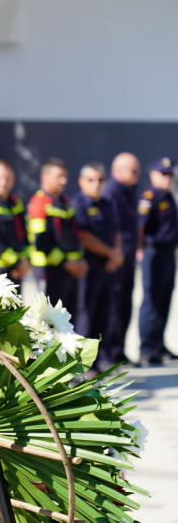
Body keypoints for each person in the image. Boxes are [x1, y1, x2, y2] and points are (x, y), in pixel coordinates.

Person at [71, 163, 122, 364]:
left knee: (105, 314)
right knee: (86, 316)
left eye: (101, 180)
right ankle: (82, 364)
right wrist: (112, 253)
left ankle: (98, 360)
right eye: (91, 180)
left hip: (108, 267)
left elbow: (116, 230)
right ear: (81, 182)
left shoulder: (108, 203)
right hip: (88, 269)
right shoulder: (78, 204)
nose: (97, 184)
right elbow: (84, 236)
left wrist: (116, 255)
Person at [28, 158, 87, 317]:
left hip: (69, 271)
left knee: (68, 319)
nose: (64, 181)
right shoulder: (40, 203)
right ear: (45, 177)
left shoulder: (65, 202)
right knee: (50, 320)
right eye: (59, 176)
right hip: (49, 271)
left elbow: (74, 235)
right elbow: (41, 242)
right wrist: (66, 263)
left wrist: (79, 261)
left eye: (65, 176)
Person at [136, 157, 178, 366]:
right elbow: (140, 226)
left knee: (164, 298)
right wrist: (140, 249)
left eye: (170, 174)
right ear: (153, 175)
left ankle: (159, 345)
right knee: (151, 298)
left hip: (168, 253)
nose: (168, 178)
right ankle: (147, 347)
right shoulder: (149, 197)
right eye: (163, 174)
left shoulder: (169, 196)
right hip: (153, 252)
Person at [101, 153, 141, 365]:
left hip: (128, 259)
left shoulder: (130, 192)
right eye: (132, 170)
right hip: (116, 259)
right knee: (113, 307)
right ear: (117, 171)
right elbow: (113, 228)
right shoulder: (111, 192)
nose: (137, 174)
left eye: (137, 170)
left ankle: (119, 350)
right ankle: (108, 353)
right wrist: (115, 253)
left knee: (125, 304)